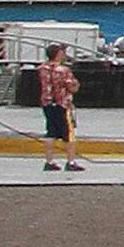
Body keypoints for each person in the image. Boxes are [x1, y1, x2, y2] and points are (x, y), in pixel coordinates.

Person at [36, 42, 84, 172]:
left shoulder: (42, 69)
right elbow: (72, 87)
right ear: (58, 55)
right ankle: (71, 161)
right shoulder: (64, 70)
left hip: (47, 103)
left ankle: (49, 161)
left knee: (50, 132)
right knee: (69, 134)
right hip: (62, 104)